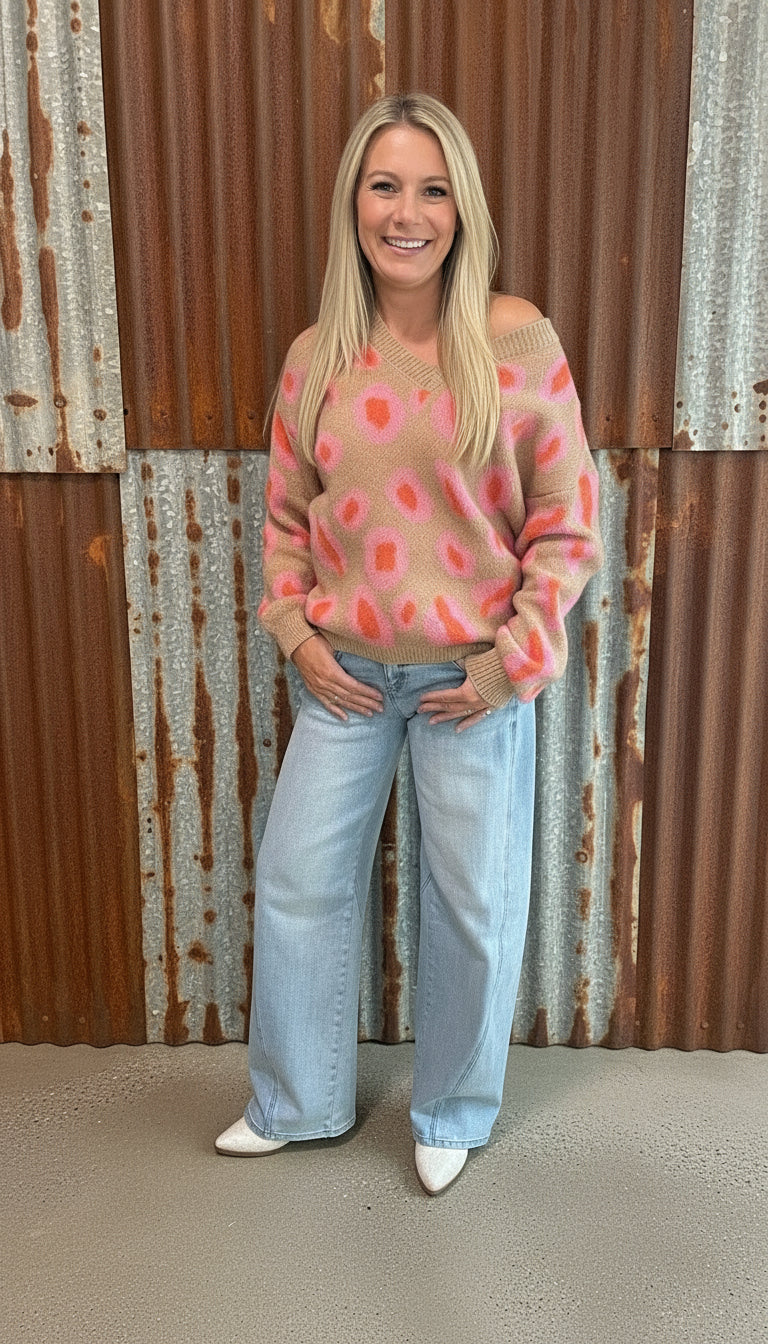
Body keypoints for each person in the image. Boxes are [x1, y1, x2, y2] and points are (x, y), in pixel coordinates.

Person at [215, 92, 603, 1193]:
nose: (407, 211)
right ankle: (298, 1102)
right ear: (354, 204)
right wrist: (294, 633)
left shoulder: (516, 339)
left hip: (469, 683)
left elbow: (566, 522)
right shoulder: (317, 355)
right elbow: (286, 516)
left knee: (473, 904)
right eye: (385, 185)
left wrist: (509, 666)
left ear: (460, 208)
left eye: (432, 188)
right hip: (345, 678)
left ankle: (452, 1111)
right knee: (297, 882)